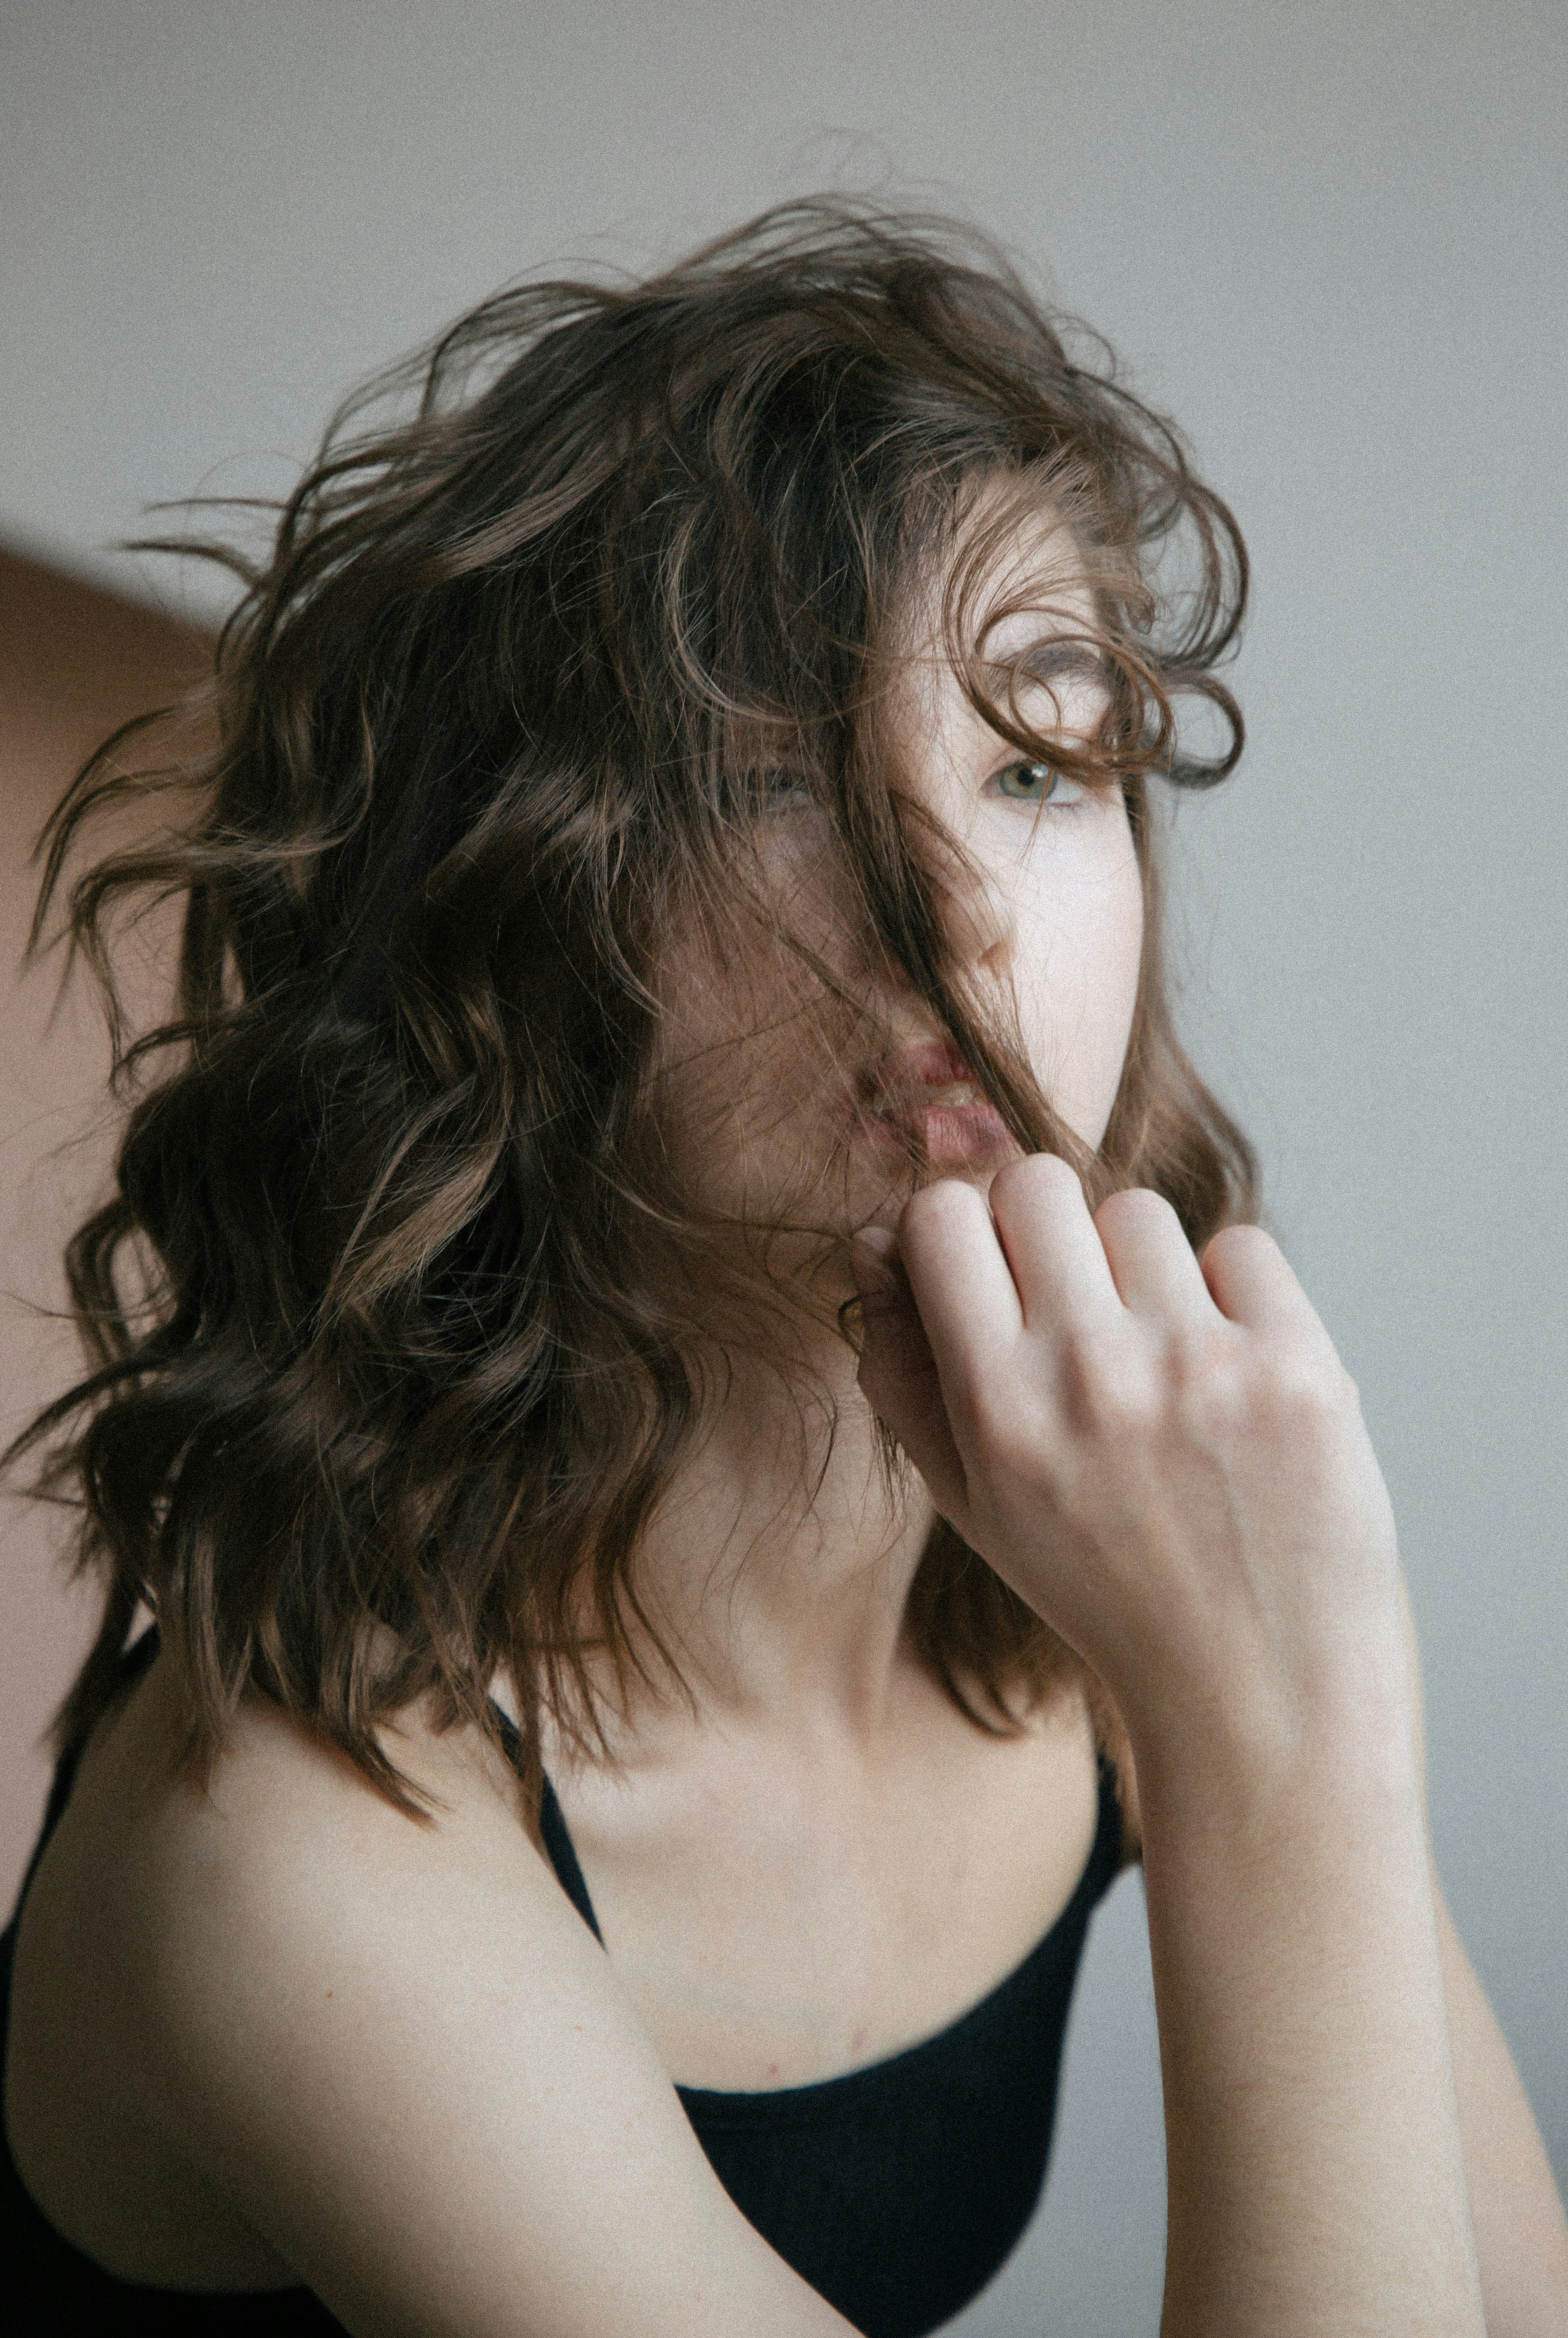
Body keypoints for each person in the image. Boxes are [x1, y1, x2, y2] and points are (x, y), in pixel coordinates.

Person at [2, 199, 1564, 2338]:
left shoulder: (1096, 1534)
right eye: (760, 773)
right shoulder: (296, 1845)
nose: (966, 913)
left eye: (1035, 760)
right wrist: (1279, 1743)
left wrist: (1274, 1714)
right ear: (497, 912)